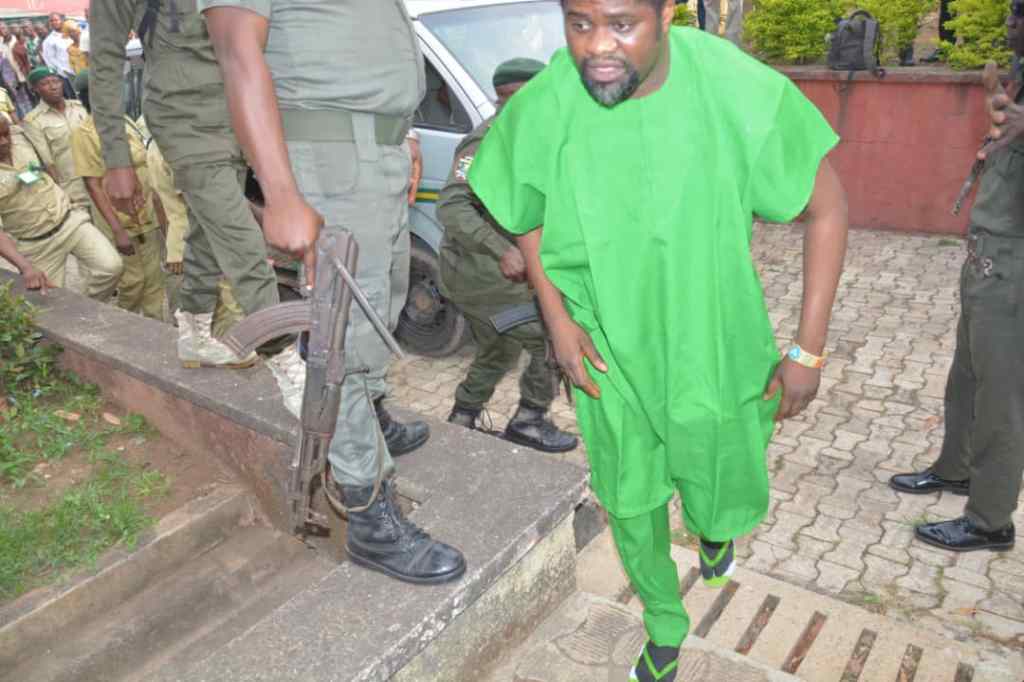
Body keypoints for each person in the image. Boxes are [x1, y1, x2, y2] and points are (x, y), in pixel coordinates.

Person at [467, 1, 848, 679]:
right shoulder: (550, 98)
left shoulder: (734, 87)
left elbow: (827, 207)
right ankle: (664, 623)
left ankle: (714, 524)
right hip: (606, 348)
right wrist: (557, 318)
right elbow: (526, 209)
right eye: (579, 23)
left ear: (668, 12)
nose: (597, 47)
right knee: (628, 492)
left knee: (719, 464)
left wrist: (807, 350)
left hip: (714, 341)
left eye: (622, 23)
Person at [200, 0, 466, 586]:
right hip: (328, 157)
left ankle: (370, 416)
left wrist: (401, 133)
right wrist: (280, 192)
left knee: (378, 308)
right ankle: (367, 509)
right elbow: (237, 52)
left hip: (377, 151)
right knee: (337, 335)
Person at [89, 0, 301, 374]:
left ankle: (194, 332)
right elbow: (104, 62)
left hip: (237, 115)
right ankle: (288, 368)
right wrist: (116, 158)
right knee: (243, 243)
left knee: (207, 232)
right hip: (183, 119)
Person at [889, 2, 1024, 553]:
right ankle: (957, 469)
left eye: (1018, 12)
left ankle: (990, 520)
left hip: (1014, 267)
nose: (1010, 20)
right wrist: (999, 97)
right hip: (989, 256)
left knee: (1001, 397)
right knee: (966, 378)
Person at [438, 57, 578, 454]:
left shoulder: (536, 132)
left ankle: (463, 417)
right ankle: (529, 421)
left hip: (514, 276)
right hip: (483, 276)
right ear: (511, 96)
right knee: (548, 338)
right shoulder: (486, 141)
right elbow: (451, 206)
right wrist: (503, 250)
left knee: (498, 349)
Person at [0, 117, 121, 299]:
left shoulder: (21, 137)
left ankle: (86, 307)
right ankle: (79, 311)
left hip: (70, 221)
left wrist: (63, 192)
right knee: (49, 301)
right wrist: (25, 267)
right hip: (36, 243)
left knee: (111, 267)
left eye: (5, 134)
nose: (4, 141)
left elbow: (45, 166)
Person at [146, 131, 243, 337]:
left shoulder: (155, 146)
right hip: (198, 244)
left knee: (189, 325)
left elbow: (159, 202)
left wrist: (172, 245)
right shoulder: (180, 150)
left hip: (180, 244)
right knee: (218, 320)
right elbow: (200, 203)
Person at [72, 112, 166, 321]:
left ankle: (156, 326)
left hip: (146, 214)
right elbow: (93, 186)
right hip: (118, 218)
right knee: (132, 282)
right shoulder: (85, 133)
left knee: (154, 279)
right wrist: (118, 231)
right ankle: (127, 325)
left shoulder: (125, 120)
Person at [22, 66, 91, 211]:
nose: (53, 87)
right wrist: (61, 193)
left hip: (100, 177)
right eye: (45, 83)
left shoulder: (79, 107)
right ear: (35, 89)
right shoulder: (33, 121)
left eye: (55, 81)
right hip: (74, 189)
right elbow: (47, 162)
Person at [41, 13, 74, 99]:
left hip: (80, 69)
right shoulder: (48, 41)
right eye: (51, 21)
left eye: (56, 20)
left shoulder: (72, 33)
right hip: (66, 75)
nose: (54, 22)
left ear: (61, 20)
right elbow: (49, 61)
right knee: (74, 98)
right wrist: (60, 74)